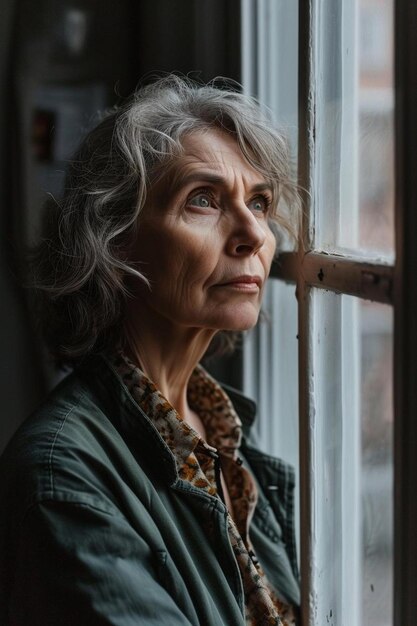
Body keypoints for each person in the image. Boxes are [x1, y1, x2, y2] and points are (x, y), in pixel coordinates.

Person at [0, 75, 300, 625]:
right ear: (114, 242)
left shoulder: (226, 436)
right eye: (203, 200)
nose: (253, 234)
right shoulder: (62, 478)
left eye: (259, 202)